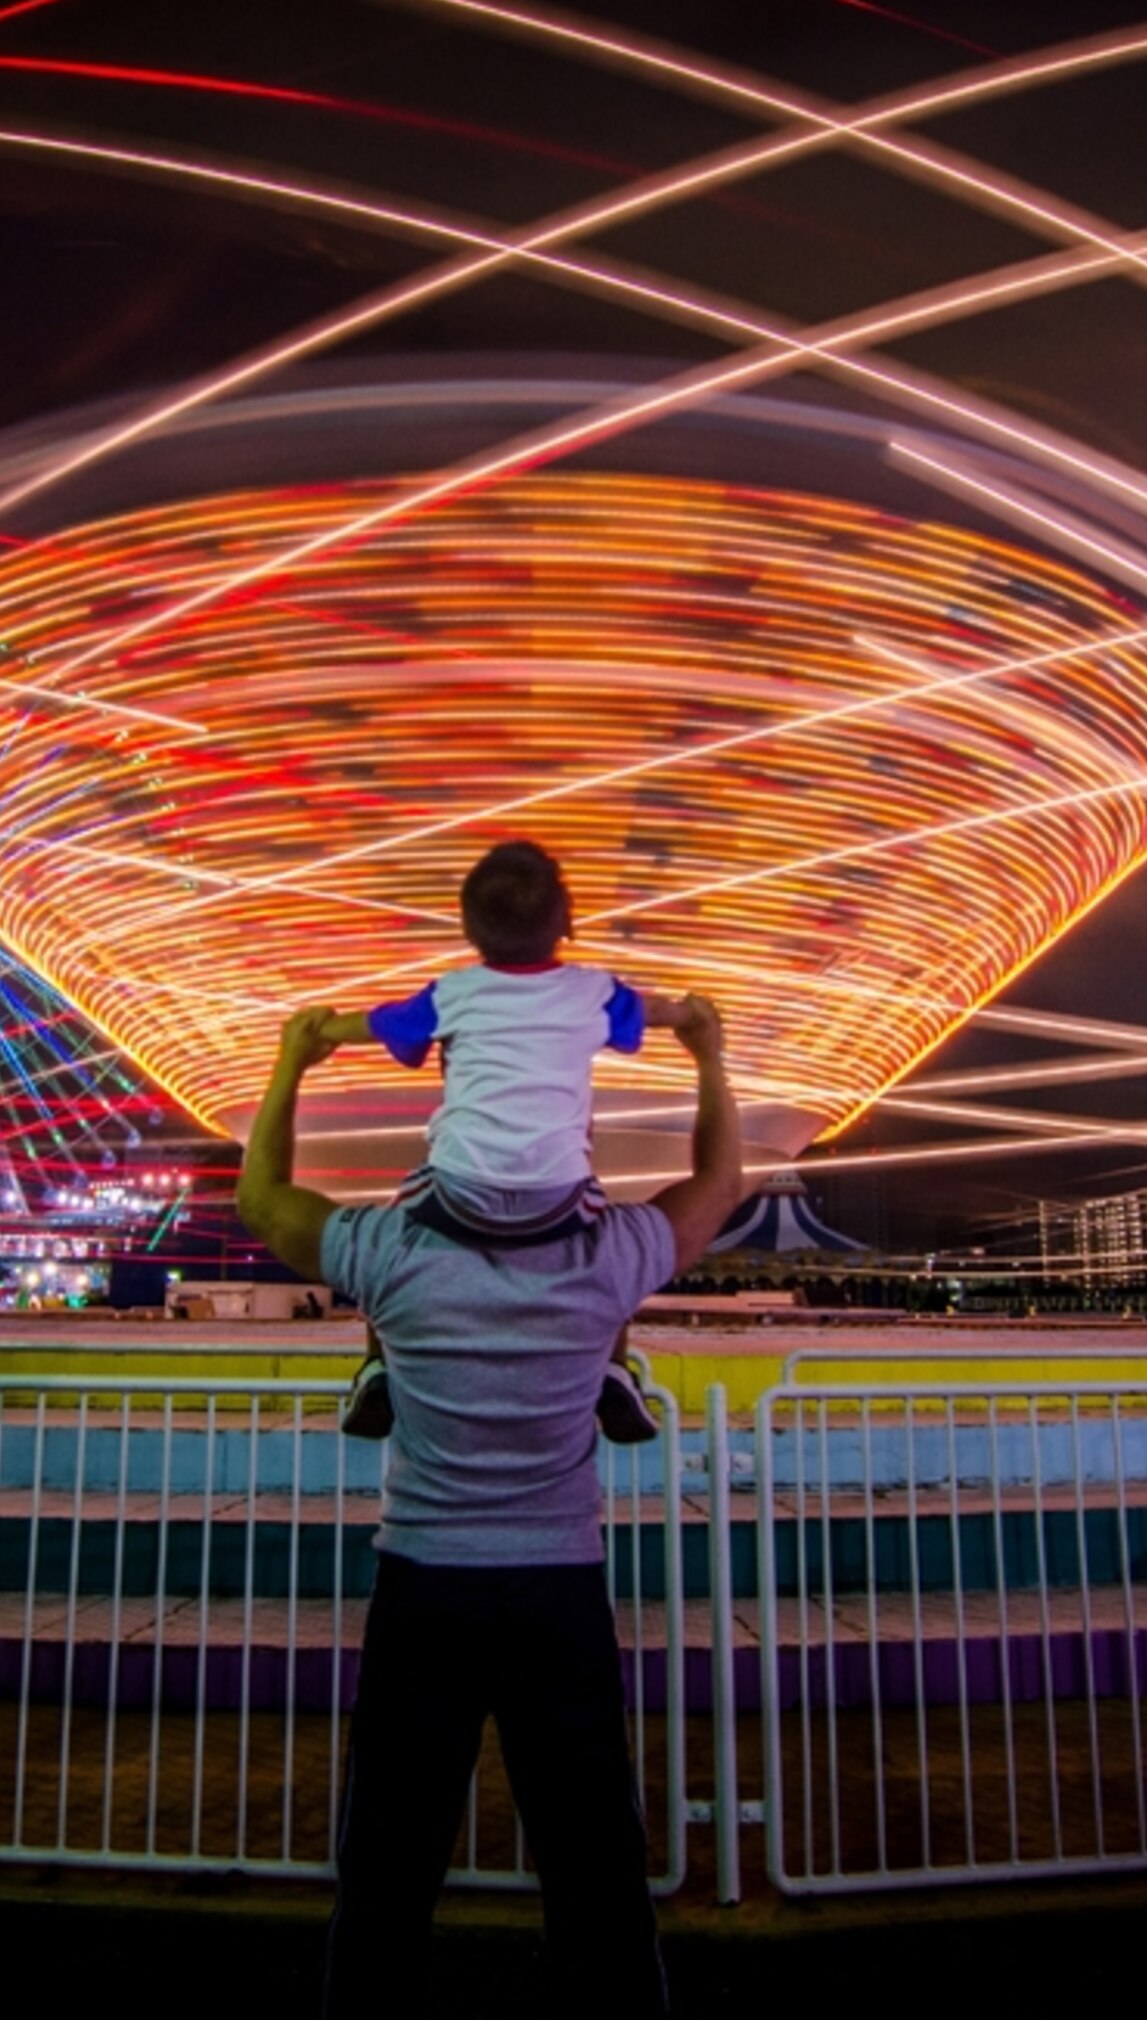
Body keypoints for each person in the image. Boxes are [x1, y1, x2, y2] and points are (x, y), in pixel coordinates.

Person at [236, 986, 745, 2018]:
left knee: (389, 1859)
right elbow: (720, 1181)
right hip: (558, 1582)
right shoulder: (606, 1253)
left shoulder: (394, 1251)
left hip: (424, 1577)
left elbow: (265, 1198)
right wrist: (706, 1052)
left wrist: (292, 1059)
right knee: (594, 1857)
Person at [310, 841, 701, 1444]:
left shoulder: (451, 993)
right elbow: (657, 1012)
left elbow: (373, 1024)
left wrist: (320, 1028)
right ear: (567, 918)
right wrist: (691, 1014)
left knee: (389, 1234)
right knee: (611, 1245)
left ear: (469, 931)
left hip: (458, 1193)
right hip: (559, 1197)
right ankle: (614, 1367)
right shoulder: (594, 992)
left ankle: (378, 1362)